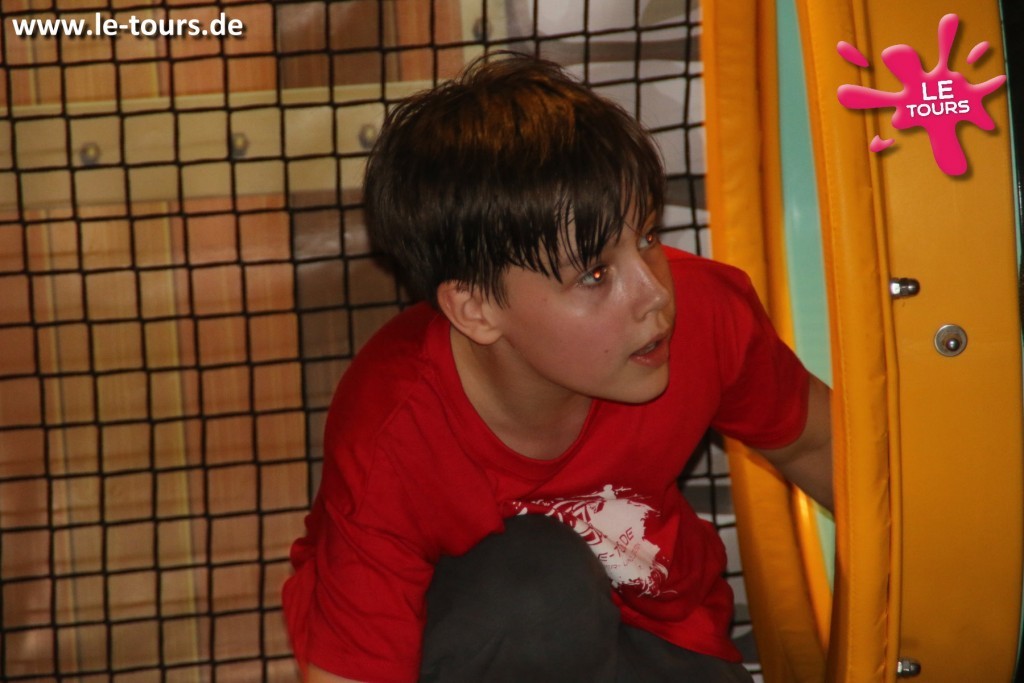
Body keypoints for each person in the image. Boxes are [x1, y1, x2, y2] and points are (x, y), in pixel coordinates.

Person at [282, 52, 832, 683]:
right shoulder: (394, 432)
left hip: (667, 649)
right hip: (500, 644)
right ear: (477, 309)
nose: (654, 292)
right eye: (595, 274)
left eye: (647, 238)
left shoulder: (703, 315)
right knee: (532, 584)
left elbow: (826, 447)